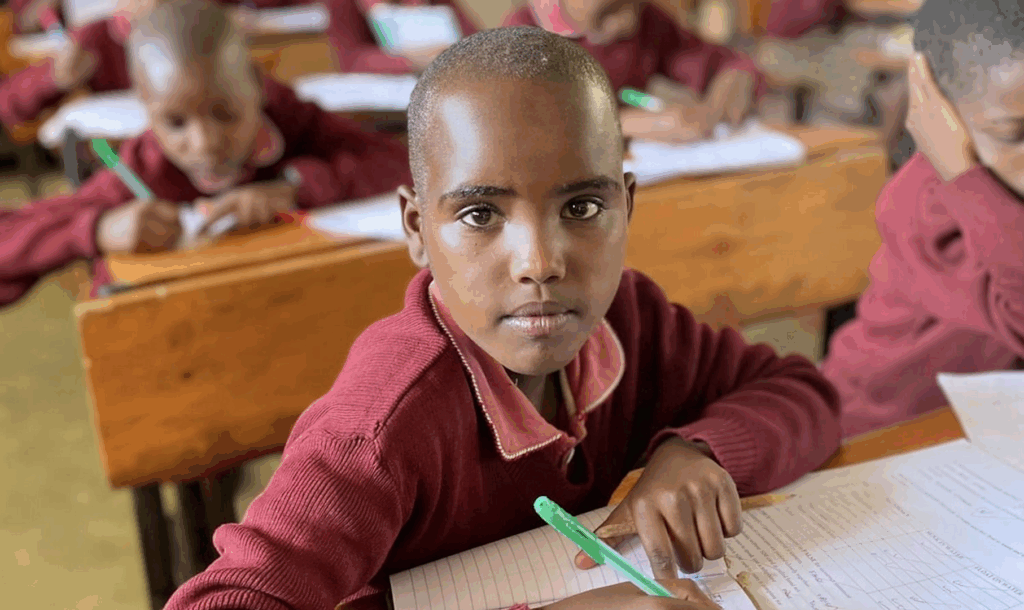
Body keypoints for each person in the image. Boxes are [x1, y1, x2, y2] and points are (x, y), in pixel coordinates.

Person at [165, 25, 841, 610]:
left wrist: (696, 452)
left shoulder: (632, 319)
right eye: (479, 214)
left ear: (627, 207)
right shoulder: (381, 428)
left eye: (581, 207)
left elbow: (802, 392)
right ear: (416, 229)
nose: (540, 263)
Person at [0, 0, 410, 308]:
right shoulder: (143, 167)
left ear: (254, 84)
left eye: (226, 114)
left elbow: (400, 162)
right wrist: (98, 228)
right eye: (176, 123)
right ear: (146, 107)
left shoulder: (289, 117)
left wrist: (294, 187)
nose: (205, 144)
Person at [821, 0, 1024, 438]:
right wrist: (962, 173)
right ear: (941, 115)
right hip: (876, 428)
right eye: (1014, 134)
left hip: (977, 427)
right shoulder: (926, 202)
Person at [0, 0, 308, 131]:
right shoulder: (99, 37)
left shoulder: (211, 25)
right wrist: (54, 78)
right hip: (122, 161)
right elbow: (8, 104)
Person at [504, 0, 765, 144]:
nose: (629, 23)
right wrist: (630, 123)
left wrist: (732, 81)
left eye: (635, 5)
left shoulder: (648, 22)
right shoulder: (523, 34)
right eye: (610, 12)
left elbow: (719, 61)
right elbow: (527, 124)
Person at [326, 0, 477, 74]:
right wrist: (412, 60)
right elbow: (350, 61)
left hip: (450, 79)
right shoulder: (343, 3)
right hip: (389, 101)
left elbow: (477, 40)